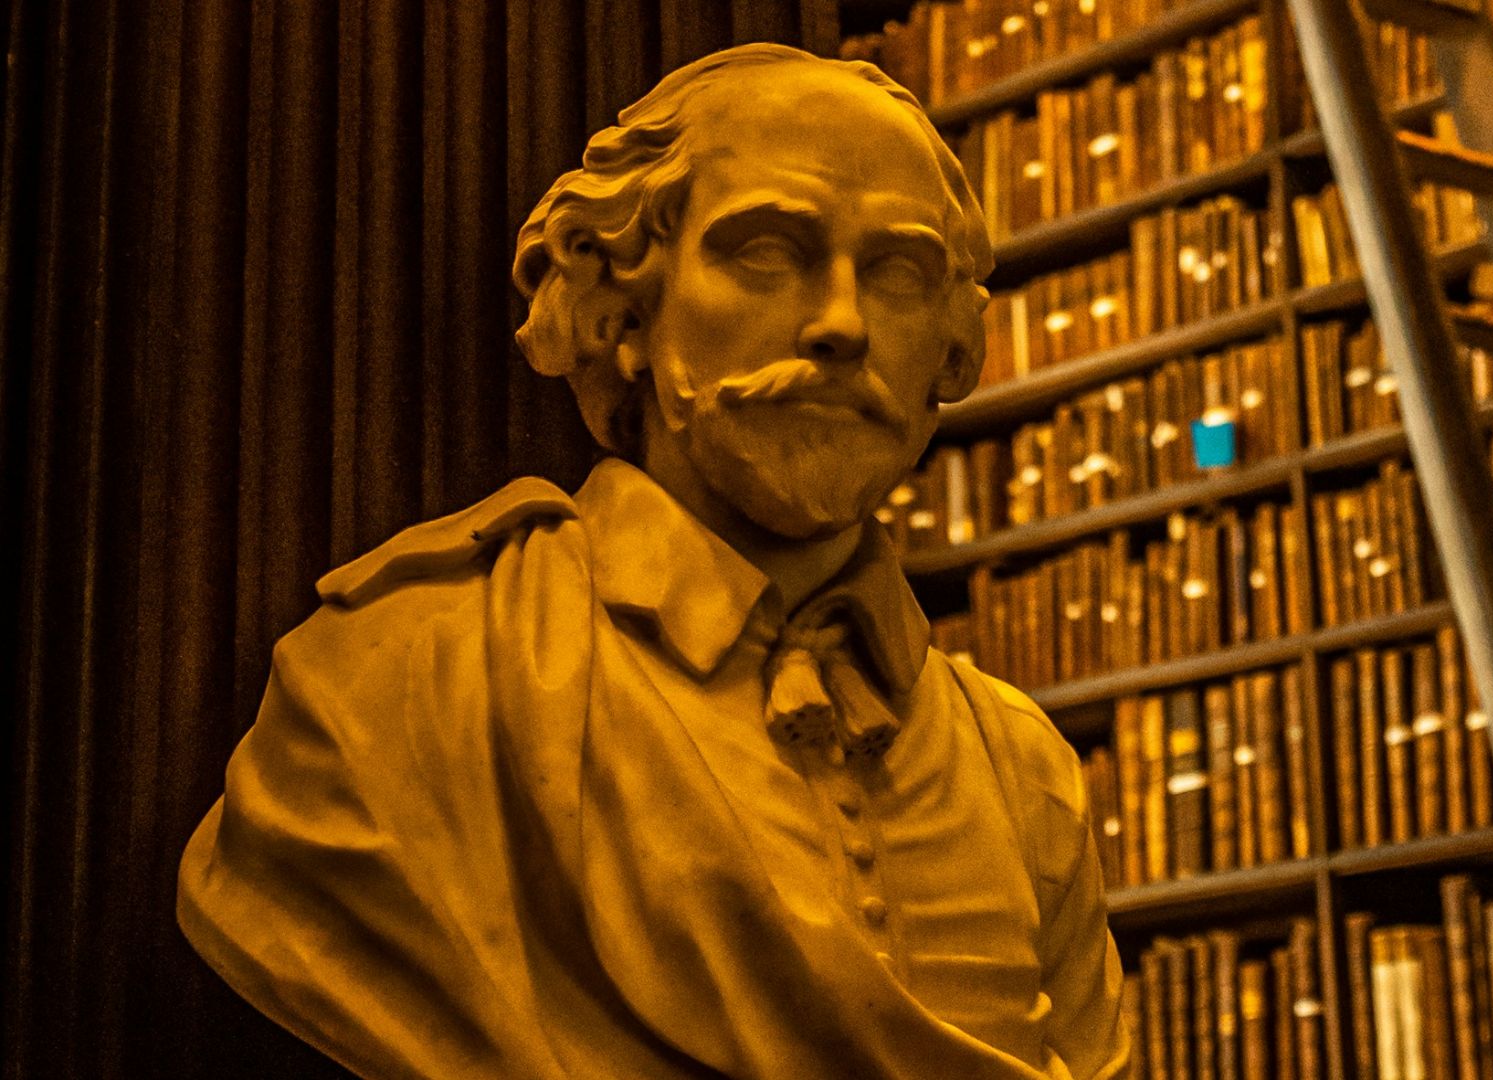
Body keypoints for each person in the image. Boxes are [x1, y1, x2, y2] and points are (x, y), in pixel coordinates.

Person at [177, 43, 1130, 1080]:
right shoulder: (402, 682)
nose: (843, 325)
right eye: (768, 250)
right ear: (623, 305)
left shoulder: (1023, 770)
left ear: (952, 345)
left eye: (898, 273)